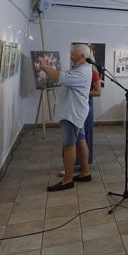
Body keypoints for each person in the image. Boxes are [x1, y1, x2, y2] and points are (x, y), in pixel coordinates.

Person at [38, 44, 93, 192]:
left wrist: (44, 67)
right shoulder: (81, 69)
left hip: (72, 113)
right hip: (75, 112)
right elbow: (63, 77)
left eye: (73, 54)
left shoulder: (82, 72)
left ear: (83, 56)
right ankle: (85, 172)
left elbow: (61, 77)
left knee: (69, 145)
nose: (70, 56)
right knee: (81, 140)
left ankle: (67, 179)